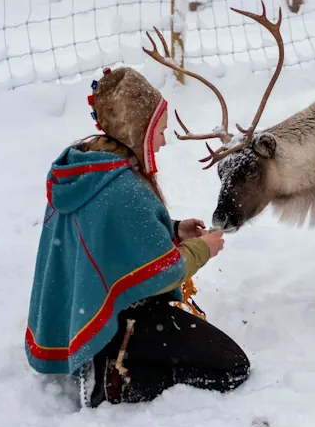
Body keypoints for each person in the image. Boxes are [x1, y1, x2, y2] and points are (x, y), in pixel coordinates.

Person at [24, 66, 250, 407]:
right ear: (137, 129)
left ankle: (106, 354)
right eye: (158, 131)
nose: (162, 140)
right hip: (124, 320)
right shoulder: (125, 188)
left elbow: (109, 235)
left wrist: (172, 230)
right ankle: (119, 378)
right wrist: (203, 248)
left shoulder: (86, 168)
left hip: (84, 312)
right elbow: (164, 272)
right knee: (233, 366)